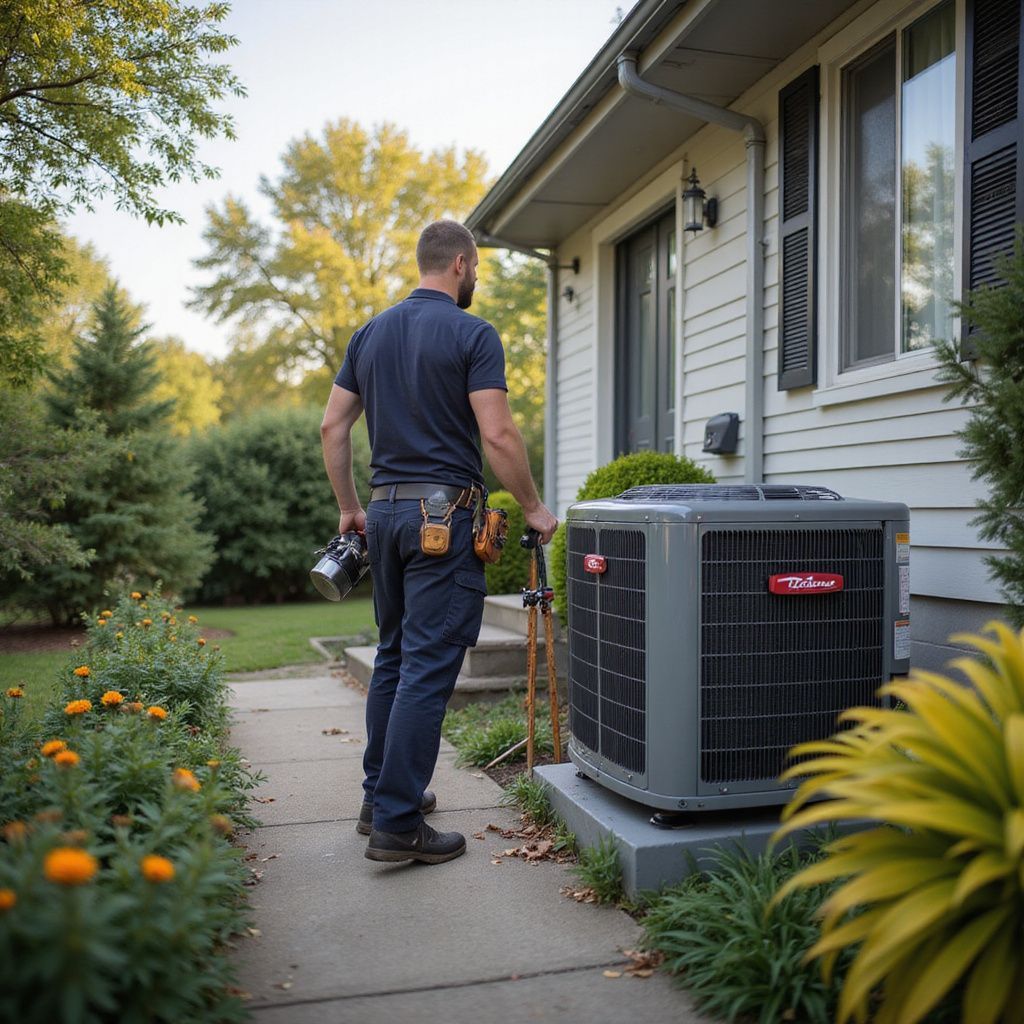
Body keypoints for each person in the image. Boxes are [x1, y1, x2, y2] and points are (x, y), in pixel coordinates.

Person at [320, 220, 558, 865]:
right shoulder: (472, 333)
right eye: (475, 268)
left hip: (385, 515)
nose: (475, 278)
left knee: (394, 657)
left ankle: (381, 798)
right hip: (440, 521)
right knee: (426, 666)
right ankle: (398, 825)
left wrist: (349, 508)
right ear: (460, 264)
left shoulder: (368, 333)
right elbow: (500, 436)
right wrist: (533, 507)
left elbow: (332, 428)